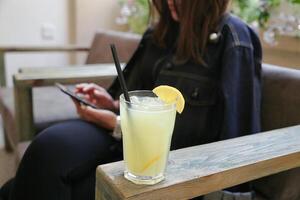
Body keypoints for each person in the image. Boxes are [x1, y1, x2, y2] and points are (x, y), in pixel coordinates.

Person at [0, 0, 262, 199]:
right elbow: (130, 95)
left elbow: (238, 136)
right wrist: (110, 104)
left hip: (167, 164)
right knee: (45, 151)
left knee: (25, 183)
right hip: (118, 141)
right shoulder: (158, 34)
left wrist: (117, 123)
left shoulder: (233, 39)